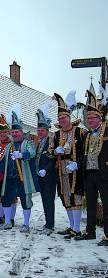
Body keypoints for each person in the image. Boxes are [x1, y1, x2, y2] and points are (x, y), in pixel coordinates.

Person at [0, 104, 40, 232]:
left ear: (21, 133)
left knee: (25, 201)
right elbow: (2, 162)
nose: (14, 134)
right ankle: (7, 222)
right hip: (10, 178)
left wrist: (22, 155)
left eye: (16, 132)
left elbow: (32, 153)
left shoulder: (28, 143)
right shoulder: (9, 146)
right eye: (13, 132)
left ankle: (26, 224)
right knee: (6, 198)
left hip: (23, 178)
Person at [75, 90, 108, 246]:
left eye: (92, 118)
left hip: (104, 173)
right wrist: (78, 163)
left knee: (107, 204)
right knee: (91, 205)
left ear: (99, 117)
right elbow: (84, 153)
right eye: (87, 118)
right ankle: (90, 232)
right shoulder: (87, 134)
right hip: (89, 174)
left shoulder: (106, 130)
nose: (89, 121)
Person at [50, 91, 84, 239]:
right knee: (66, 198)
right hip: (61, 170)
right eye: (60, 118)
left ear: (69, 118)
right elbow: (49, 151)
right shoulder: (56, 135)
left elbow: (86, 151)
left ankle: (77, 228)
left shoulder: (80, 132)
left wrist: (77, 164)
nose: (62, 120)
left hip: (76, 170)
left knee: (76, 196)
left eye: (64, 117)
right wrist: (54, 151)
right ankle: (72, 227)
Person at [36, 102, 56, 234]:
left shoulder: (51, 141)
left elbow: (53, 159)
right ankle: (47, 223)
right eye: (38, 130)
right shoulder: (39, 143)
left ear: (47, 131)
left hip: (49, 176)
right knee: (44, 199)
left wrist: (46, 169)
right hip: (40, 176)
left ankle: (50, 225)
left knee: (49, 200)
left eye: (42, 130)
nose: (40, 132)